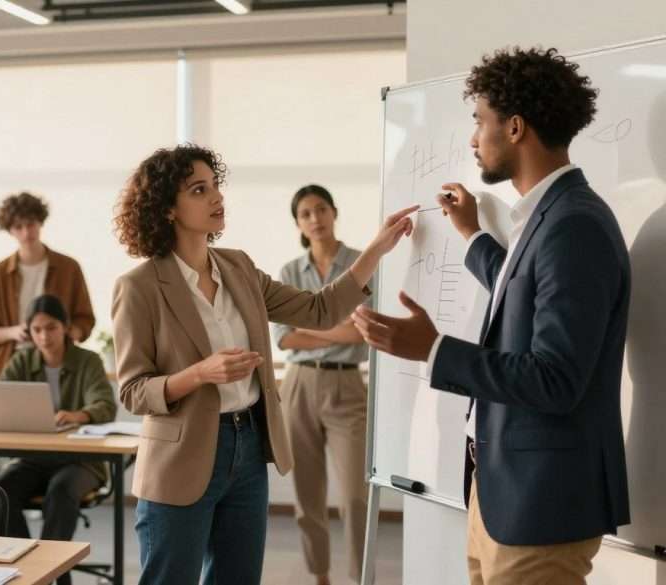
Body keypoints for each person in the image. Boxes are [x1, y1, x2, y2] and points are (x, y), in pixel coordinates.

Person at [351, 47, 630, 585]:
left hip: (541, 501)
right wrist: (473, 236)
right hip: (500, 489)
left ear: (517, 128)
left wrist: (432, 350)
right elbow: (521, 289)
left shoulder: (575, 225)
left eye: (480, 122)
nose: (473, 138)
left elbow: (556, 378)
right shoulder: (548, 217)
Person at [110, 144, 416, 585]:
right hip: (182, 456)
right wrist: (201, 373)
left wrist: (376, 249)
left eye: (215, 186)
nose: (216, 197)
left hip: (248, 446)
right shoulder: (138, 287)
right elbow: (133, 390)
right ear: (168, 210)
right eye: (199, 190)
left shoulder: (238, 267)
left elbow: (318, 310)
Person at [273, 185, 370, 585]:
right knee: (307, 495)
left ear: (334, 212)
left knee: (355, 497)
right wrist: (336, 326)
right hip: (297, 386)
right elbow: (284, 337)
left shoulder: (361, 264)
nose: (315, 218)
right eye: (306, 214)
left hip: (348, 387)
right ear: (298, 223)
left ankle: (359, 577)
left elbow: (363, 333)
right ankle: (320, 577)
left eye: (321, 209)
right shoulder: (290, 273)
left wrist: (314, 324)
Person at [0, 294, 116, 585]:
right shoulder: (23, 359)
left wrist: (78, 415)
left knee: (61, 491)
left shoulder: (88, 360)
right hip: (35, 458)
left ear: (66, 327)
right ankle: (26, 563)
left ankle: (48, 573)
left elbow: (105, 405)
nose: (44, 336)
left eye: (51, 328)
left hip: (81, 460)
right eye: (36, 330)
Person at [0, 191, 95, 381]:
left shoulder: (69, 268)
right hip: (11, 365)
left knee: (62, 411)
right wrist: (14, 332)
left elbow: (85, 320)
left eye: (31, 224)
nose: (26, 232)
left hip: (60, 365)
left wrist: (64, 332)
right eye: (18, 226)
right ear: (9, 230)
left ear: (40, 222)